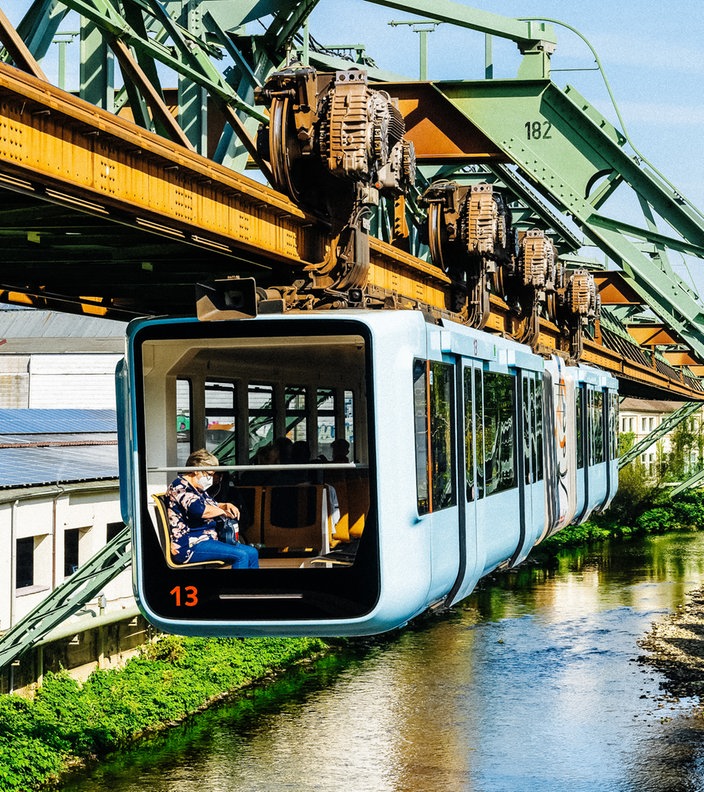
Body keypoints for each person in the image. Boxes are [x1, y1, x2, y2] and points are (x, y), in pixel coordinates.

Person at [166, 449, 259, 568]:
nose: (211, 479)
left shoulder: (197, 488)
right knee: (240, 555)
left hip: (208, 539)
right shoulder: (180, 487)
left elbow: (211, 504)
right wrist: (222, 512)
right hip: (191, 544)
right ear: (196, 470)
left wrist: (224, 505)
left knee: (252, 552)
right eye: (209, 474)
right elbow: (201, 511)